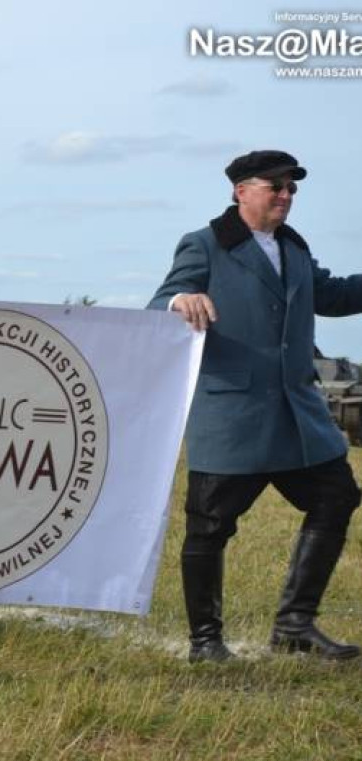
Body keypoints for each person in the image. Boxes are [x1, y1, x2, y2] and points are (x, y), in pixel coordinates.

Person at [148, 150, 362, 662]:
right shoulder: (204, 244)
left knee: (337, 497)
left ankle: (294, 626)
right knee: (210, 529)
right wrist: (182, 301)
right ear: (241, 190)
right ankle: (206, 643)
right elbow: (162, 300)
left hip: (298, 417)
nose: (286, 196)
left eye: (291, 189)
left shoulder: (293, 246)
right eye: (277, 186)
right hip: (232, 417)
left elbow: (329, 295)